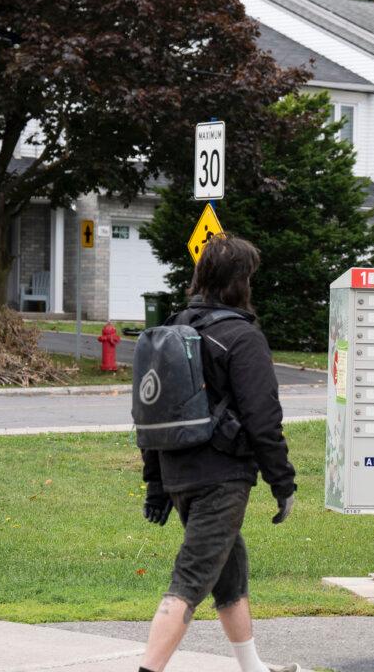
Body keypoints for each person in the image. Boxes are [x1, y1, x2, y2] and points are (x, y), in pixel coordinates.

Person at [139, 235, 298, 672]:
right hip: (221, 479)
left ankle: (253, 667)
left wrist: (156, 484)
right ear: (241, 281)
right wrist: (283, 483)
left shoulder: (172, 330)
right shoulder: (242, 336)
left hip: (178, 473)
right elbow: (263, 419)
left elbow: (150, 412)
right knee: (190, 579)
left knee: (229, 571)